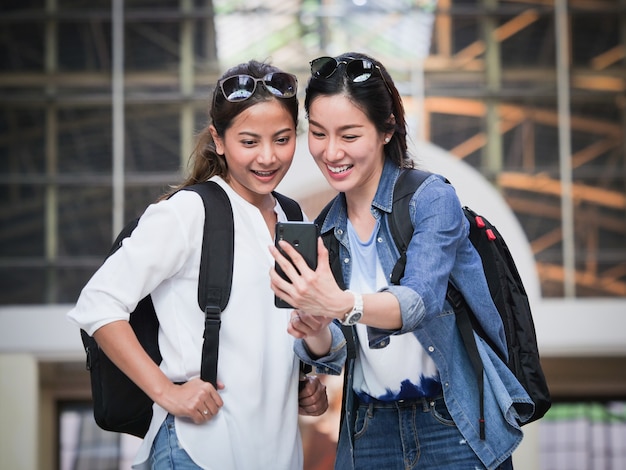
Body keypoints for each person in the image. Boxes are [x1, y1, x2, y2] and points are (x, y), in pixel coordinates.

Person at [67, 59, 345, 470]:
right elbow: (98, 304)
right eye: (249, 142)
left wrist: (305, 383)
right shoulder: (190, 211)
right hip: (198, 450)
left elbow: (296, 328)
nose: (268, 157)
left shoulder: (295, 218)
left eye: (282, 139)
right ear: (218, 139)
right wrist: (166, 392)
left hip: (277, 454)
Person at [269, 52, 534, 470]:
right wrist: (318, 327)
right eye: (318, 133)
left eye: (349, 135)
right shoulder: (323, 230)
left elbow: (418, 301)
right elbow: (335, 353)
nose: (330, 151)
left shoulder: (431, 198)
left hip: (451, 423)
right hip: (369, 430)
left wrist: (340, 303)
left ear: (386, 129)